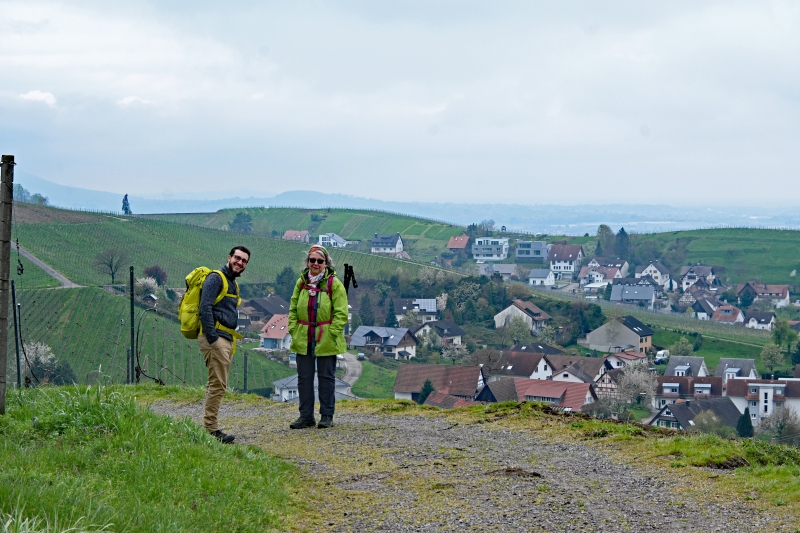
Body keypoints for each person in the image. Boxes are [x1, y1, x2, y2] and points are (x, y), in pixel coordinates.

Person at [288, 245, 348, 429]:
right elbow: (293, 308)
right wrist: (293, 329)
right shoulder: (301, 283)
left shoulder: (334, 284)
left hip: (326, 338)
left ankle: (326, 416)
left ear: (326, 263)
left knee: (326, 378)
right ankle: (306, 416)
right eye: (312, 260)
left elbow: (341, 313)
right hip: (303, 337)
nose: (315, 263)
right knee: (304, 378)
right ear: (307, 261)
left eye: (319, 261)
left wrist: (332, 333)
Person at [198, 245, 250, 443]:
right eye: (237, 258)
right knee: (218, 383)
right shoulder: (216, 278)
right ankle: (211, 430)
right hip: (216, 337)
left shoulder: (232, 283)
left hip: (225, 337)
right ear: (229, 257)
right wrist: (212, 338)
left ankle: (209, 426)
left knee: (217, 382)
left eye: (244, 261)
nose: (240, 263)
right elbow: (204, 307)